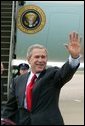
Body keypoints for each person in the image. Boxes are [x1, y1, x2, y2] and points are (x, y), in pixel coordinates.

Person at [1, 32, 81, 125]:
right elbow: (11, 107)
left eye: (43, 57)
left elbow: (65, 72)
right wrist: (3, 119)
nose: (40, 60)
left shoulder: (52, 74)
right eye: (37, 57)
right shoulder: (18, 81)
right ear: (29, 59)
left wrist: (74, 57)